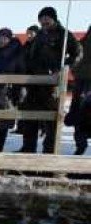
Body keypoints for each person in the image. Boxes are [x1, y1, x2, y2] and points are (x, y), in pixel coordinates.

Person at [20, 6, 82, 153]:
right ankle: (28, 150)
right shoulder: (39, 35)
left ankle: (49, 152)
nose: (44, 20)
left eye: (47, 17)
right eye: (41, 18)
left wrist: (63, 68)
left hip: (51, 84)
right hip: (34, 83)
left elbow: (78, 53)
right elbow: (30, 55)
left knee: (51, 120)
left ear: (53, 18)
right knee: (29, 118)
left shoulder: (63, 34)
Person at [12, 25, 40, 135]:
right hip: (23, 78)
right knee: (21, 102)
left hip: (34, 79)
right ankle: (21, 127)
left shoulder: (39, 46)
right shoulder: (26, 45)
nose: (28, 35)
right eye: (27, 33)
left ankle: (33, 128)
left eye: (31, 33)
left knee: (31, 105)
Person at [68, 25, 91, 155]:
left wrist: (76, 72)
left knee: (79, 115)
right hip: (82, 82)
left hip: (81, 82)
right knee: (81, 114)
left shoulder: (80, 44)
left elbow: (72, 60)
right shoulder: (81, 44)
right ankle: (80, 145)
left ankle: (80, 145)